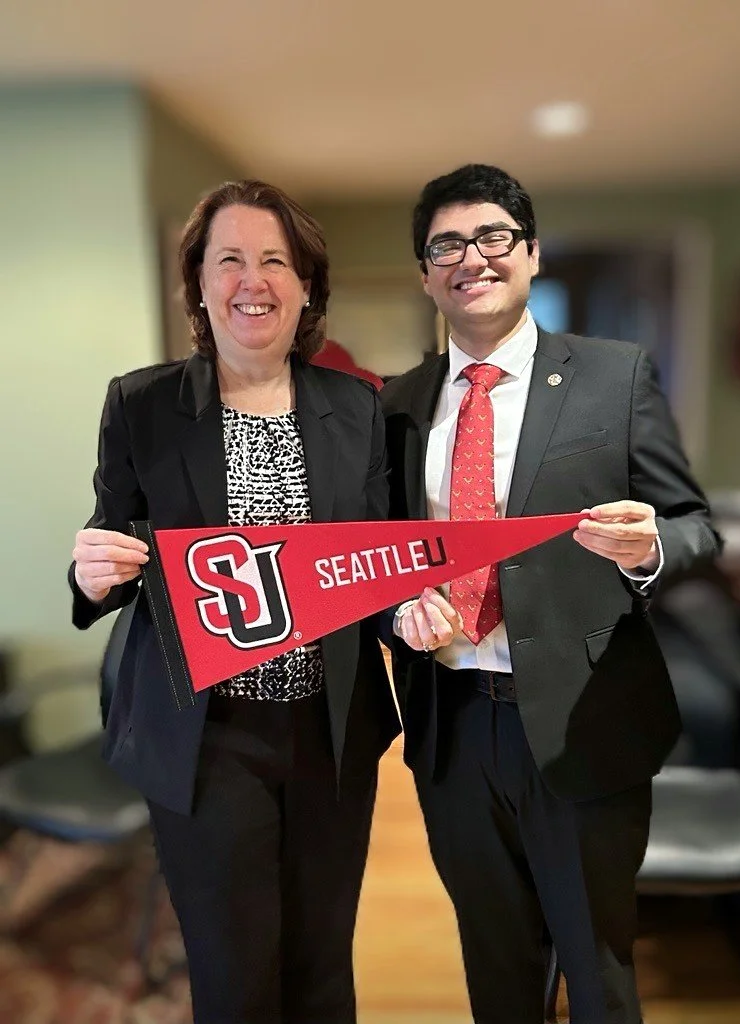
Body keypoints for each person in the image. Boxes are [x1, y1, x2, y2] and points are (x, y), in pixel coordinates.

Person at [380, 164, 721, 1024]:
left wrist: (650, 548)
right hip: (452, 726)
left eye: (493, 236)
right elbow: (383, 564)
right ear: (426, 273)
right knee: (496, 966)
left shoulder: (617, 375)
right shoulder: (395, 404)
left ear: (529, 252)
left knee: (597, 969)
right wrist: (397, 614)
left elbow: (695, 526)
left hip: (585, 720)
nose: (472, 258)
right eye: (446, 244)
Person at [69, 180, 400, 1024]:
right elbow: (111, 544)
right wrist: (91, 571)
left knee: (325, 965)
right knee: (234, 976)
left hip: (331, 734)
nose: (252, 279)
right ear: (199, 285)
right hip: (207, 739)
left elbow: (378, 566)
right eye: (230, 260)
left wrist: (415, 609)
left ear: (306, 287)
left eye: (274, 261)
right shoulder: (141, 406)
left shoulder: (358, 408)